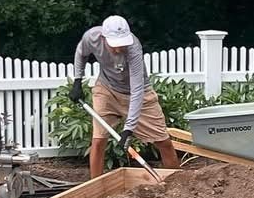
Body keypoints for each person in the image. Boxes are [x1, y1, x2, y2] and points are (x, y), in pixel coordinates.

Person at [70, 15, 181, 179]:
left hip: (138, 94)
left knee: (163, 142)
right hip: (106, 89)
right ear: (103, 37)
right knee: (99, 140)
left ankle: (177, 184)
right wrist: (77, 81)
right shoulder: (91, 37)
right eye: (114, 45)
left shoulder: (133, 48)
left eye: (122, 44)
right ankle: (95, 187)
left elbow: (137, 90)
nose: (118, 49)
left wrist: (128, 129)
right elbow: (81, 53)